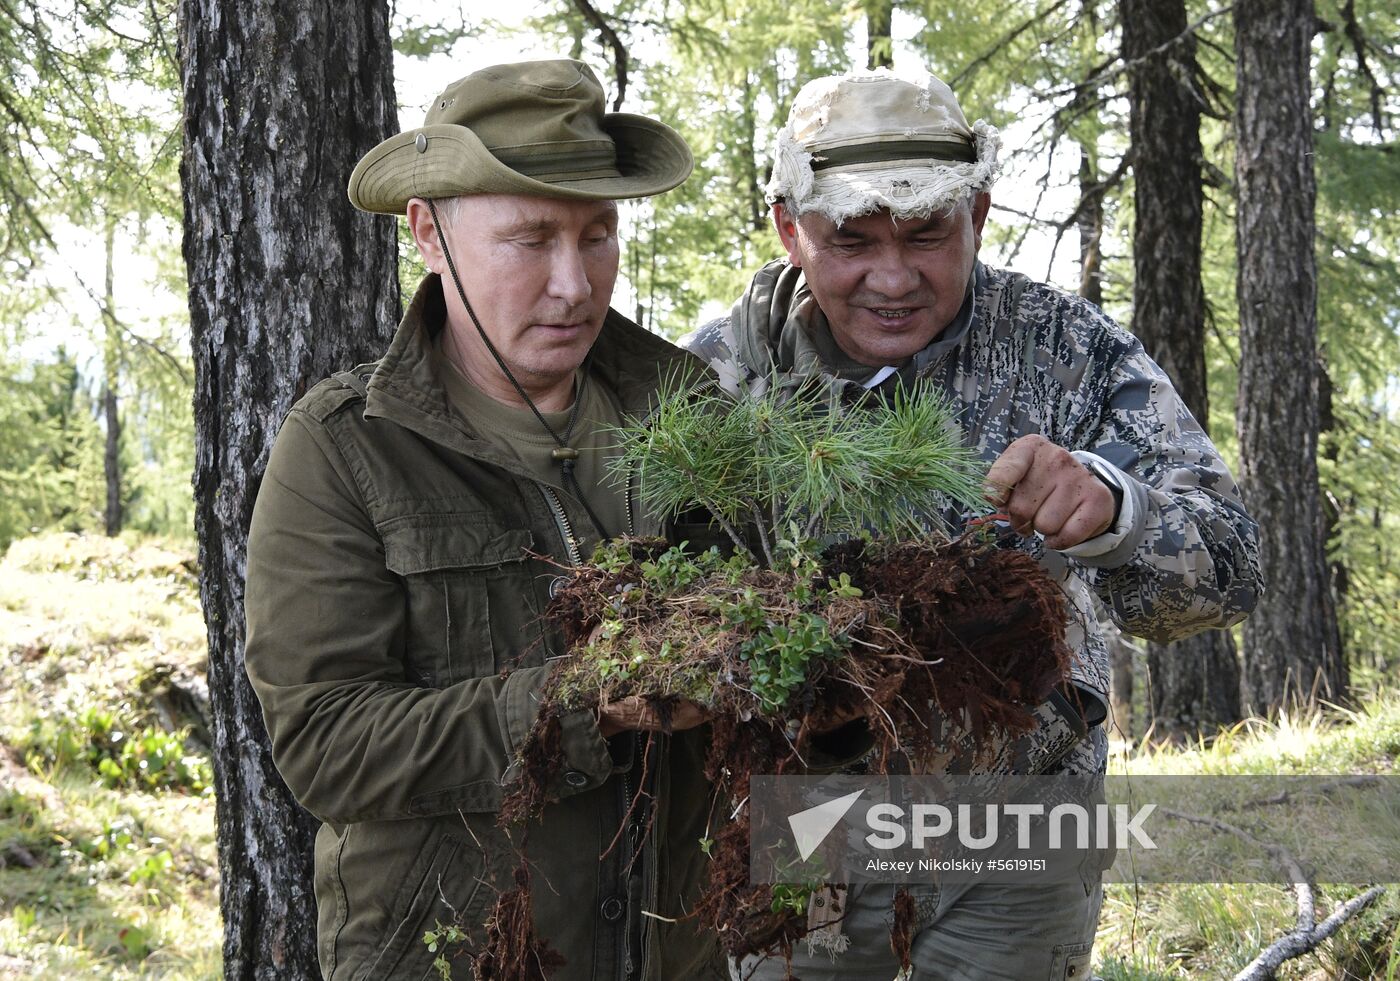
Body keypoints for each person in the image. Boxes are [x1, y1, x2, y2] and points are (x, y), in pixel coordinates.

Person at [686, 68, 1263, 980]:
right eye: (852, 239)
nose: (894, 275)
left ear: (980, 215)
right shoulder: (719, 379)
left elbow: (1233, 565)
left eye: (926, 234)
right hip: (800, 828)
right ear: (790, 229)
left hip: (1019, 823)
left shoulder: (1065, 353)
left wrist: (1116, 511)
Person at [244, 59, 727, 981]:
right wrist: (580, 706)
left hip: (676, 953)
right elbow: (326, 743)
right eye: (530, 238)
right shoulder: (347, 447)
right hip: (457, 955)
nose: (574, 284)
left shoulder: (686, 408)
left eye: (597, 236)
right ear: (430, 232)